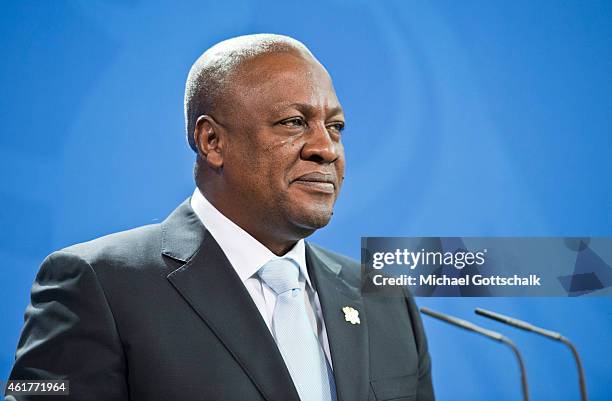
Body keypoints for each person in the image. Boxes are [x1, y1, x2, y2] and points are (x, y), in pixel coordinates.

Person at [6, 34, 434, 401]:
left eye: (335, 127)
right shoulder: (97, 283)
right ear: (211, 141)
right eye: (293, 122)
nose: (326, 148)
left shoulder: (384, 299)